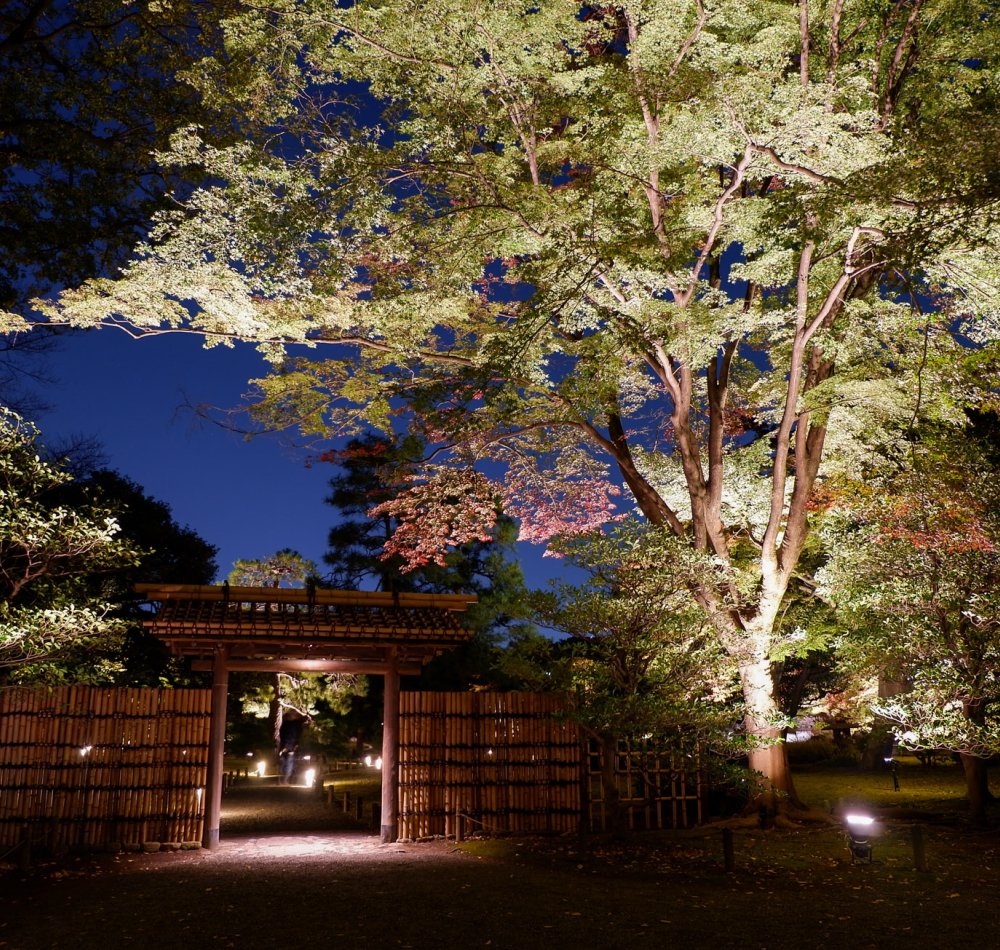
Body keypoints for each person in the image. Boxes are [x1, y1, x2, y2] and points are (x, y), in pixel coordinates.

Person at [277, 710, 305, 785]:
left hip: (289, 747)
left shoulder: (294, 725)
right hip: (288, 747)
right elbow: (288, 737)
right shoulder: (290, 725)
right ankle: (284, 780)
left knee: (289, 764)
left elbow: (294, 737)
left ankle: (286, 780)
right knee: (287, 764)